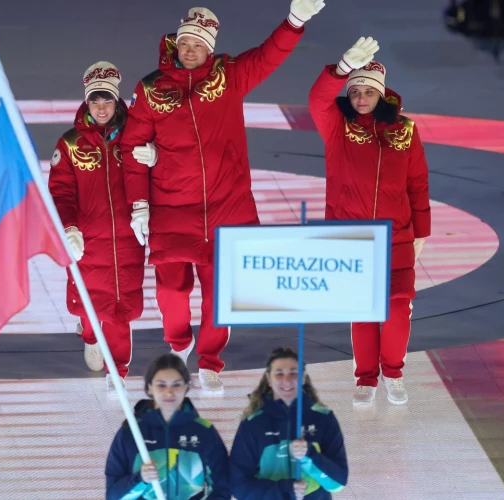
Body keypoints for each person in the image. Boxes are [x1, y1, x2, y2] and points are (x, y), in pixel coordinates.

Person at [122, 0, 326, 393]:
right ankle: (179, 344)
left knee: (220, 294)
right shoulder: (150, 89)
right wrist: (140, 204)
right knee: (171, 291)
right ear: (176, 43)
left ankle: (211, 361)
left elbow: (269, 56)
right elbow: (132, 149)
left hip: (226, 208)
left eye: (198, 43)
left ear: (210, 47)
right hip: (171, 207)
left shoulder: (229, 75)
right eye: (185, 42)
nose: (190, 49)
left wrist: (294, 21)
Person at [307, 37, 431, 407]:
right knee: (362, 310)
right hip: (352, 237)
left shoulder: (405, 130)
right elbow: (317, 99)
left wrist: (421, 231)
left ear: (382, 95)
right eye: (355, 90)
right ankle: (366, 376)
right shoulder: (336, 126)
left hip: (397, 236)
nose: (361, 97)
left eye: (368, 91)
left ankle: (393, 372)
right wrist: (342, 68)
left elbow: (417, 182)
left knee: (395, 309)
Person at [48, 61, 146, 389]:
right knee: (90, 304)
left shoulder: (136, 137)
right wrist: (69, 227)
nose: (101, 107)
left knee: (119, 310)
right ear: (86, 102)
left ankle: (116, 374)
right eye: (94, 100)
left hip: (128, 240)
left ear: (116, 101)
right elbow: (60, 192)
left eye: (106, 100)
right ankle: (90, 337)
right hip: (86, 241)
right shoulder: (71, 144)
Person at [105, 353, 231, 499]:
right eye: (161, 385)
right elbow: (112, 495)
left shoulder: (204, 432)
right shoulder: (130, 434)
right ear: (149, 387)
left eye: (176, 385)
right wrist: (140, 479)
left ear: (186, 387)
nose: (169, 392)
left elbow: (222, 489)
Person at [229, 347, 347, 499]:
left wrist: (310, 455)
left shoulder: (323, 418)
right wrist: (284, 489)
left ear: (303, 377)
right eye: (279, 373)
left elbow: (337, 482)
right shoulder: (253, 424)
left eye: (293, 373)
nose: (287, 380)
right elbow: (239, 486)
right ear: (269, 379)